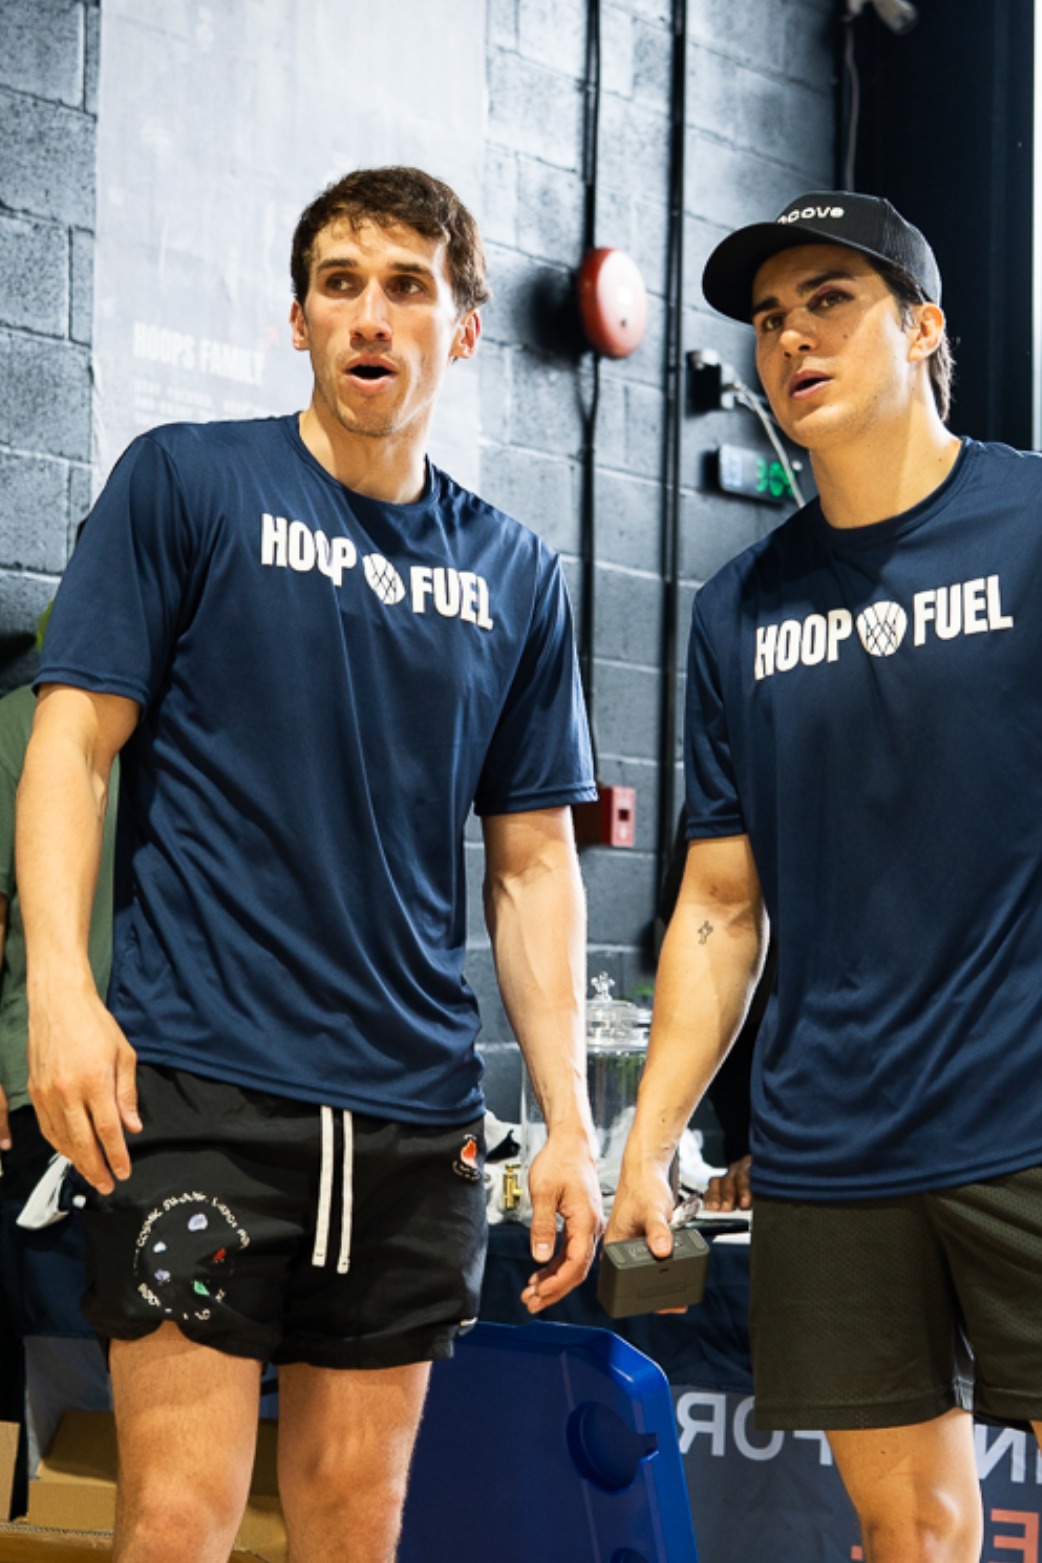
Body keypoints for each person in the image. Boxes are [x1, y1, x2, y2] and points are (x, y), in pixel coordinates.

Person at [18, 166, 603, 1563]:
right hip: (203, 1094)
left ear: (463, 328)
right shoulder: (186, 480)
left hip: (412, 1119)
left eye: (407, 286)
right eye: (340, 283)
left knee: (358, 1518)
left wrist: (572, 1118)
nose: (370, 315)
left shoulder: (515, 573)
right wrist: (58, 986)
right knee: (177, 1517)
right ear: (297, 319)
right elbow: (71, 748)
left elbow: (531, 867)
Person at [606, 189, 1042, 1563]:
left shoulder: (1030, 526)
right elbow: (721, 907)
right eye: (767, 318)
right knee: (904, 1529)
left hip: (1023, 1121)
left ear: (921, 327)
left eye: (828, 301)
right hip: (830, 1149)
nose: (789, 337)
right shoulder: (737, 608)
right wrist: (650, 1132)